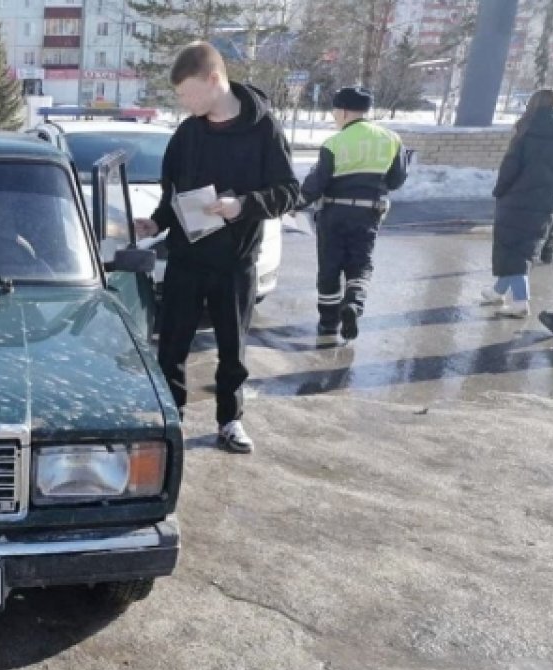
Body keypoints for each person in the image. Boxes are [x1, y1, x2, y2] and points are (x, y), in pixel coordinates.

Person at [134, 42, 299, 454]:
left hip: (235, 262)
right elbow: (172, 192)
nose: (183, 103)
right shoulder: (188, 132)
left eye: (187, 93)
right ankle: (172, 417)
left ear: (213, 80)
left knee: (232, 348)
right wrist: (157, 222)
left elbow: (288, 192)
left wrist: (243, 206)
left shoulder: (263, 129)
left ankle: (230, 420)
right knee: (171, 345)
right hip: (186, 259)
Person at [298, 86, 408, 341]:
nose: (334, 116)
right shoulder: (392, 139)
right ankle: (354, 304)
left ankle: (328, 323)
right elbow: (396, 180)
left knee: (330, 267)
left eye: (335, 111)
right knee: (360, 263)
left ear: (345, 112)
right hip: (369, 214)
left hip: (333, 214)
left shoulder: (334, 143)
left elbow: (316, 184)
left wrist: (294, 204)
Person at [481, 88, 553, 318]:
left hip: (518, 199)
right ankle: (498, 291)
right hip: (547, 201)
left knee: (513, 250)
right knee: (521, 248)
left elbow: (510, 166)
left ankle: (520, 302)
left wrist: (500, 191)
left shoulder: (526, 129)